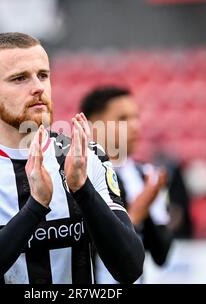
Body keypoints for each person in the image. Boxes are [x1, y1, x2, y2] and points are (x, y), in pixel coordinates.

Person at [0, 33, 144, 284]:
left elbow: (130, 267)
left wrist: (82, 189)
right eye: (19, 78)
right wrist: (36, 206)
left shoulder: (87, 157)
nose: (38, 87)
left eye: (43, 75)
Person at [80, 86, 173, 283]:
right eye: (122, 119)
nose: (135, 126)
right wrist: (136, 214)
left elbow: (162, 254)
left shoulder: (148, 176)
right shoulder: (76, 176)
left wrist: (149, 209)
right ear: (93, 125)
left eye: (136, 117)